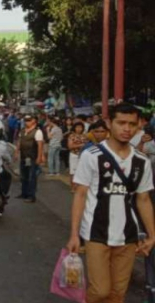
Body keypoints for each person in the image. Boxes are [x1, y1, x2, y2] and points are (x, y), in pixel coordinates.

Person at [66, 103, 155, 303]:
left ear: (139, 125)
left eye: (132, 124)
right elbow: (80, 195)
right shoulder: (91, 155)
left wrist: (152, 235)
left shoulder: (142, 161)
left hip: (128, 235)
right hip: (96, 232)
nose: (126, 129)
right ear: (109, 123)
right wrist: (74, 234)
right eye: (121, 123)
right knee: (100, 291)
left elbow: (143, 199)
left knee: (117, 294)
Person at [15, 113, 45, 203]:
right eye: (25, 120)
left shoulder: (38, 132)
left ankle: (31, 196)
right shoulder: (23, 130)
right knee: (23, 176)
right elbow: (19, 141)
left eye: (29, 120)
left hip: (32, 157)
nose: (26, 122)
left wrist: (39, 157)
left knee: (32, 177)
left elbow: (40, 145)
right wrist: (16, 152)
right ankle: (24, 193)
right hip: (24, 156)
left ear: (34, 121)